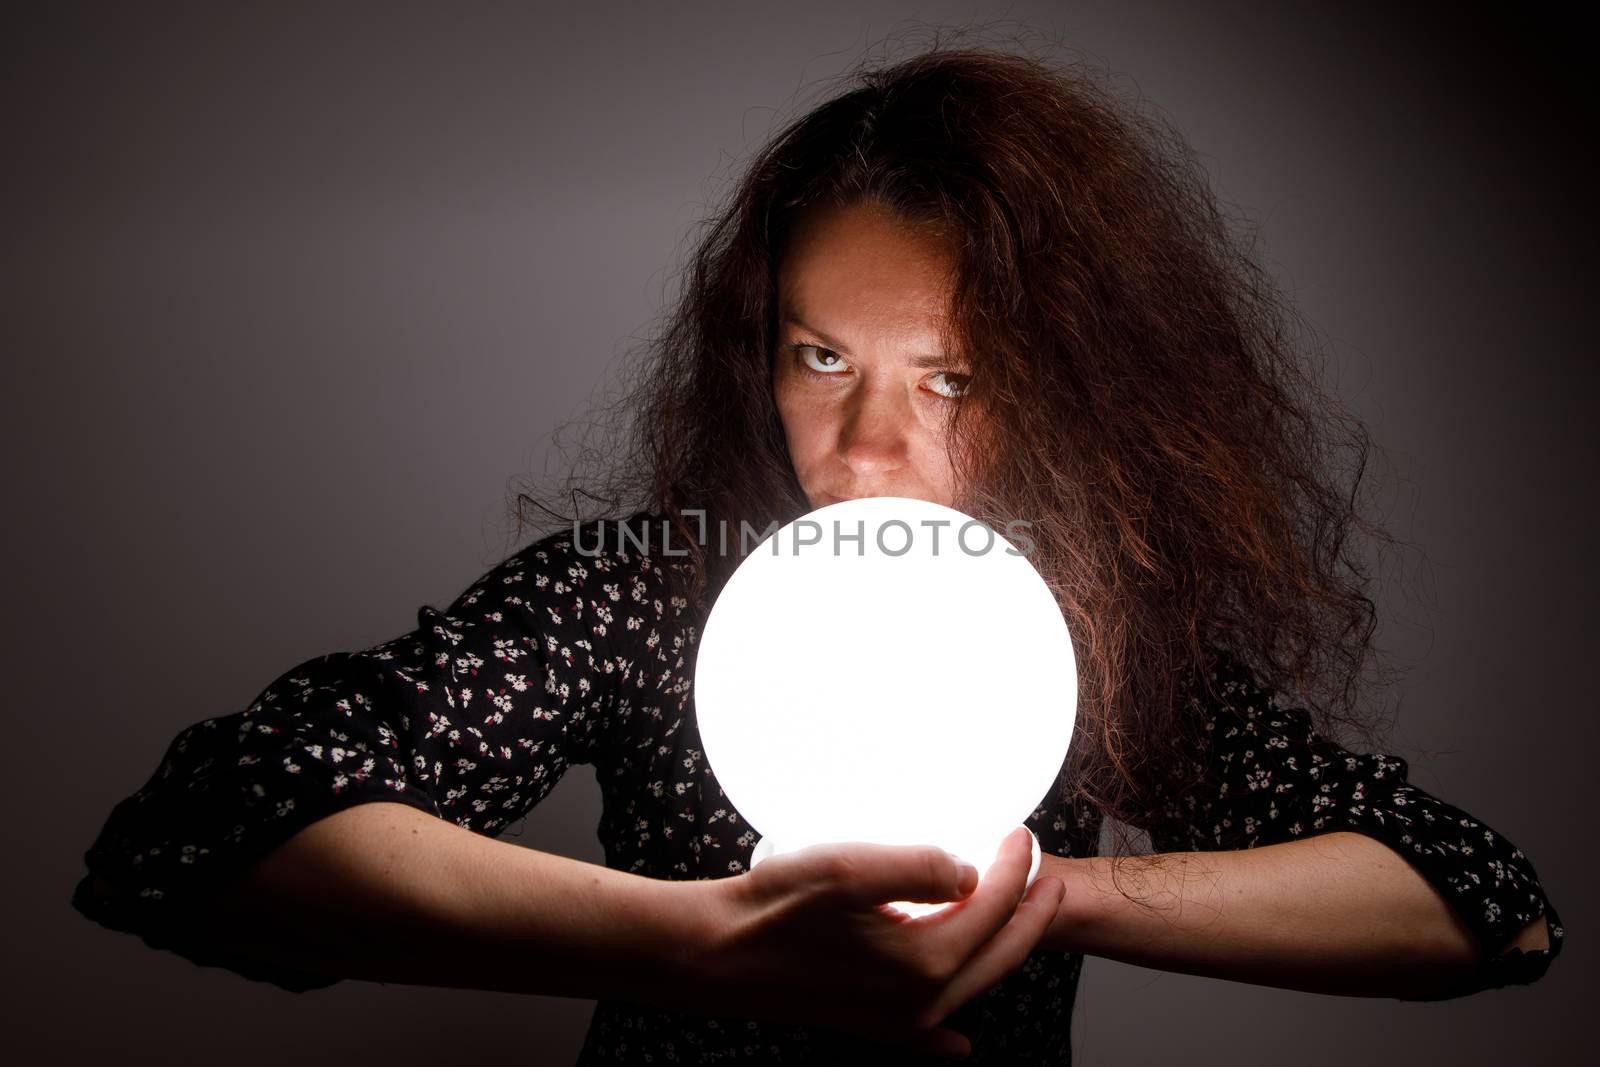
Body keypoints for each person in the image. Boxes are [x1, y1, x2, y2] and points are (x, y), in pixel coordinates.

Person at [70, 45, 1564, 1064]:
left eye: (953, 376)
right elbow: (194, 837)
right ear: (757, 353)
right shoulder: (649, 594)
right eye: (819, 354)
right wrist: (703, 944)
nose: (865, 445)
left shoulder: (1081, 631)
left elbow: (1484, 905)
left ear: (1069, 386)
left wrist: (1042, 893)